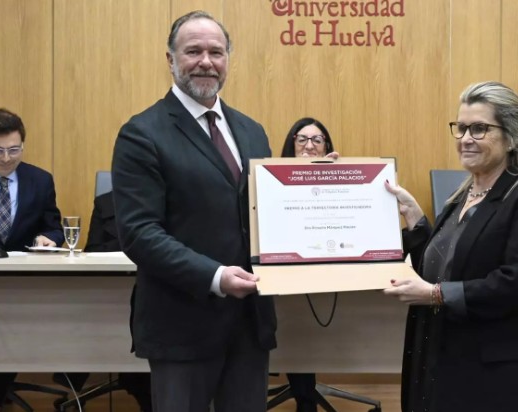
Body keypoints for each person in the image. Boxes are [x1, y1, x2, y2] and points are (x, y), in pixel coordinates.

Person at [111, 10, 276, 412]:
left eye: (216, 52)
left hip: (249, 325)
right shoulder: (141, 133)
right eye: (193, 51)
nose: (206, 61)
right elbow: (139, 233)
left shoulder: (252, 131)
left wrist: (317, 189)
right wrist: (216, 277)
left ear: (228, 60)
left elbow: (267, 215)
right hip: (181, 324)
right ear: (170, 59)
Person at [383, 81, 518, 412]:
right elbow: (446, 267)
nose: (465, 138)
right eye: (461, 128)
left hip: (496, 373)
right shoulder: (462, 195)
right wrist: (417, 221)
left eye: (479, 129)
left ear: (510, 137)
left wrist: (434, 294)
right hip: (442, 355)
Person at [0, 108, 64, 412]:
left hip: (25, 284)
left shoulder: (40, 180)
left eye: (14, 149)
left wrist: (50, 238)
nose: (6, 157)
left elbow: (54, 226)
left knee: (13, 330)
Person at [51, 189, 152, 411]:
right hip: (109, 296)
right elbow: (93, 251)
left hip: (154, 293)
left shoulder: (171, 200)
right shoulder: (106, 203)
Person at [278, 117, 335, 412]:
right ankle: (304, 395)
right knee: (293, 325)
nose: (309, 145)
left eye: (317, 139)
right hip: (284, 272)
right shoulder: (271, 180)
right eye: (302, 139)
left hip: (329, 270)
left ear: (327, 146)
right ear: (291, 144)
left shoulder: (341, 178)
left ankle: (305, 394)